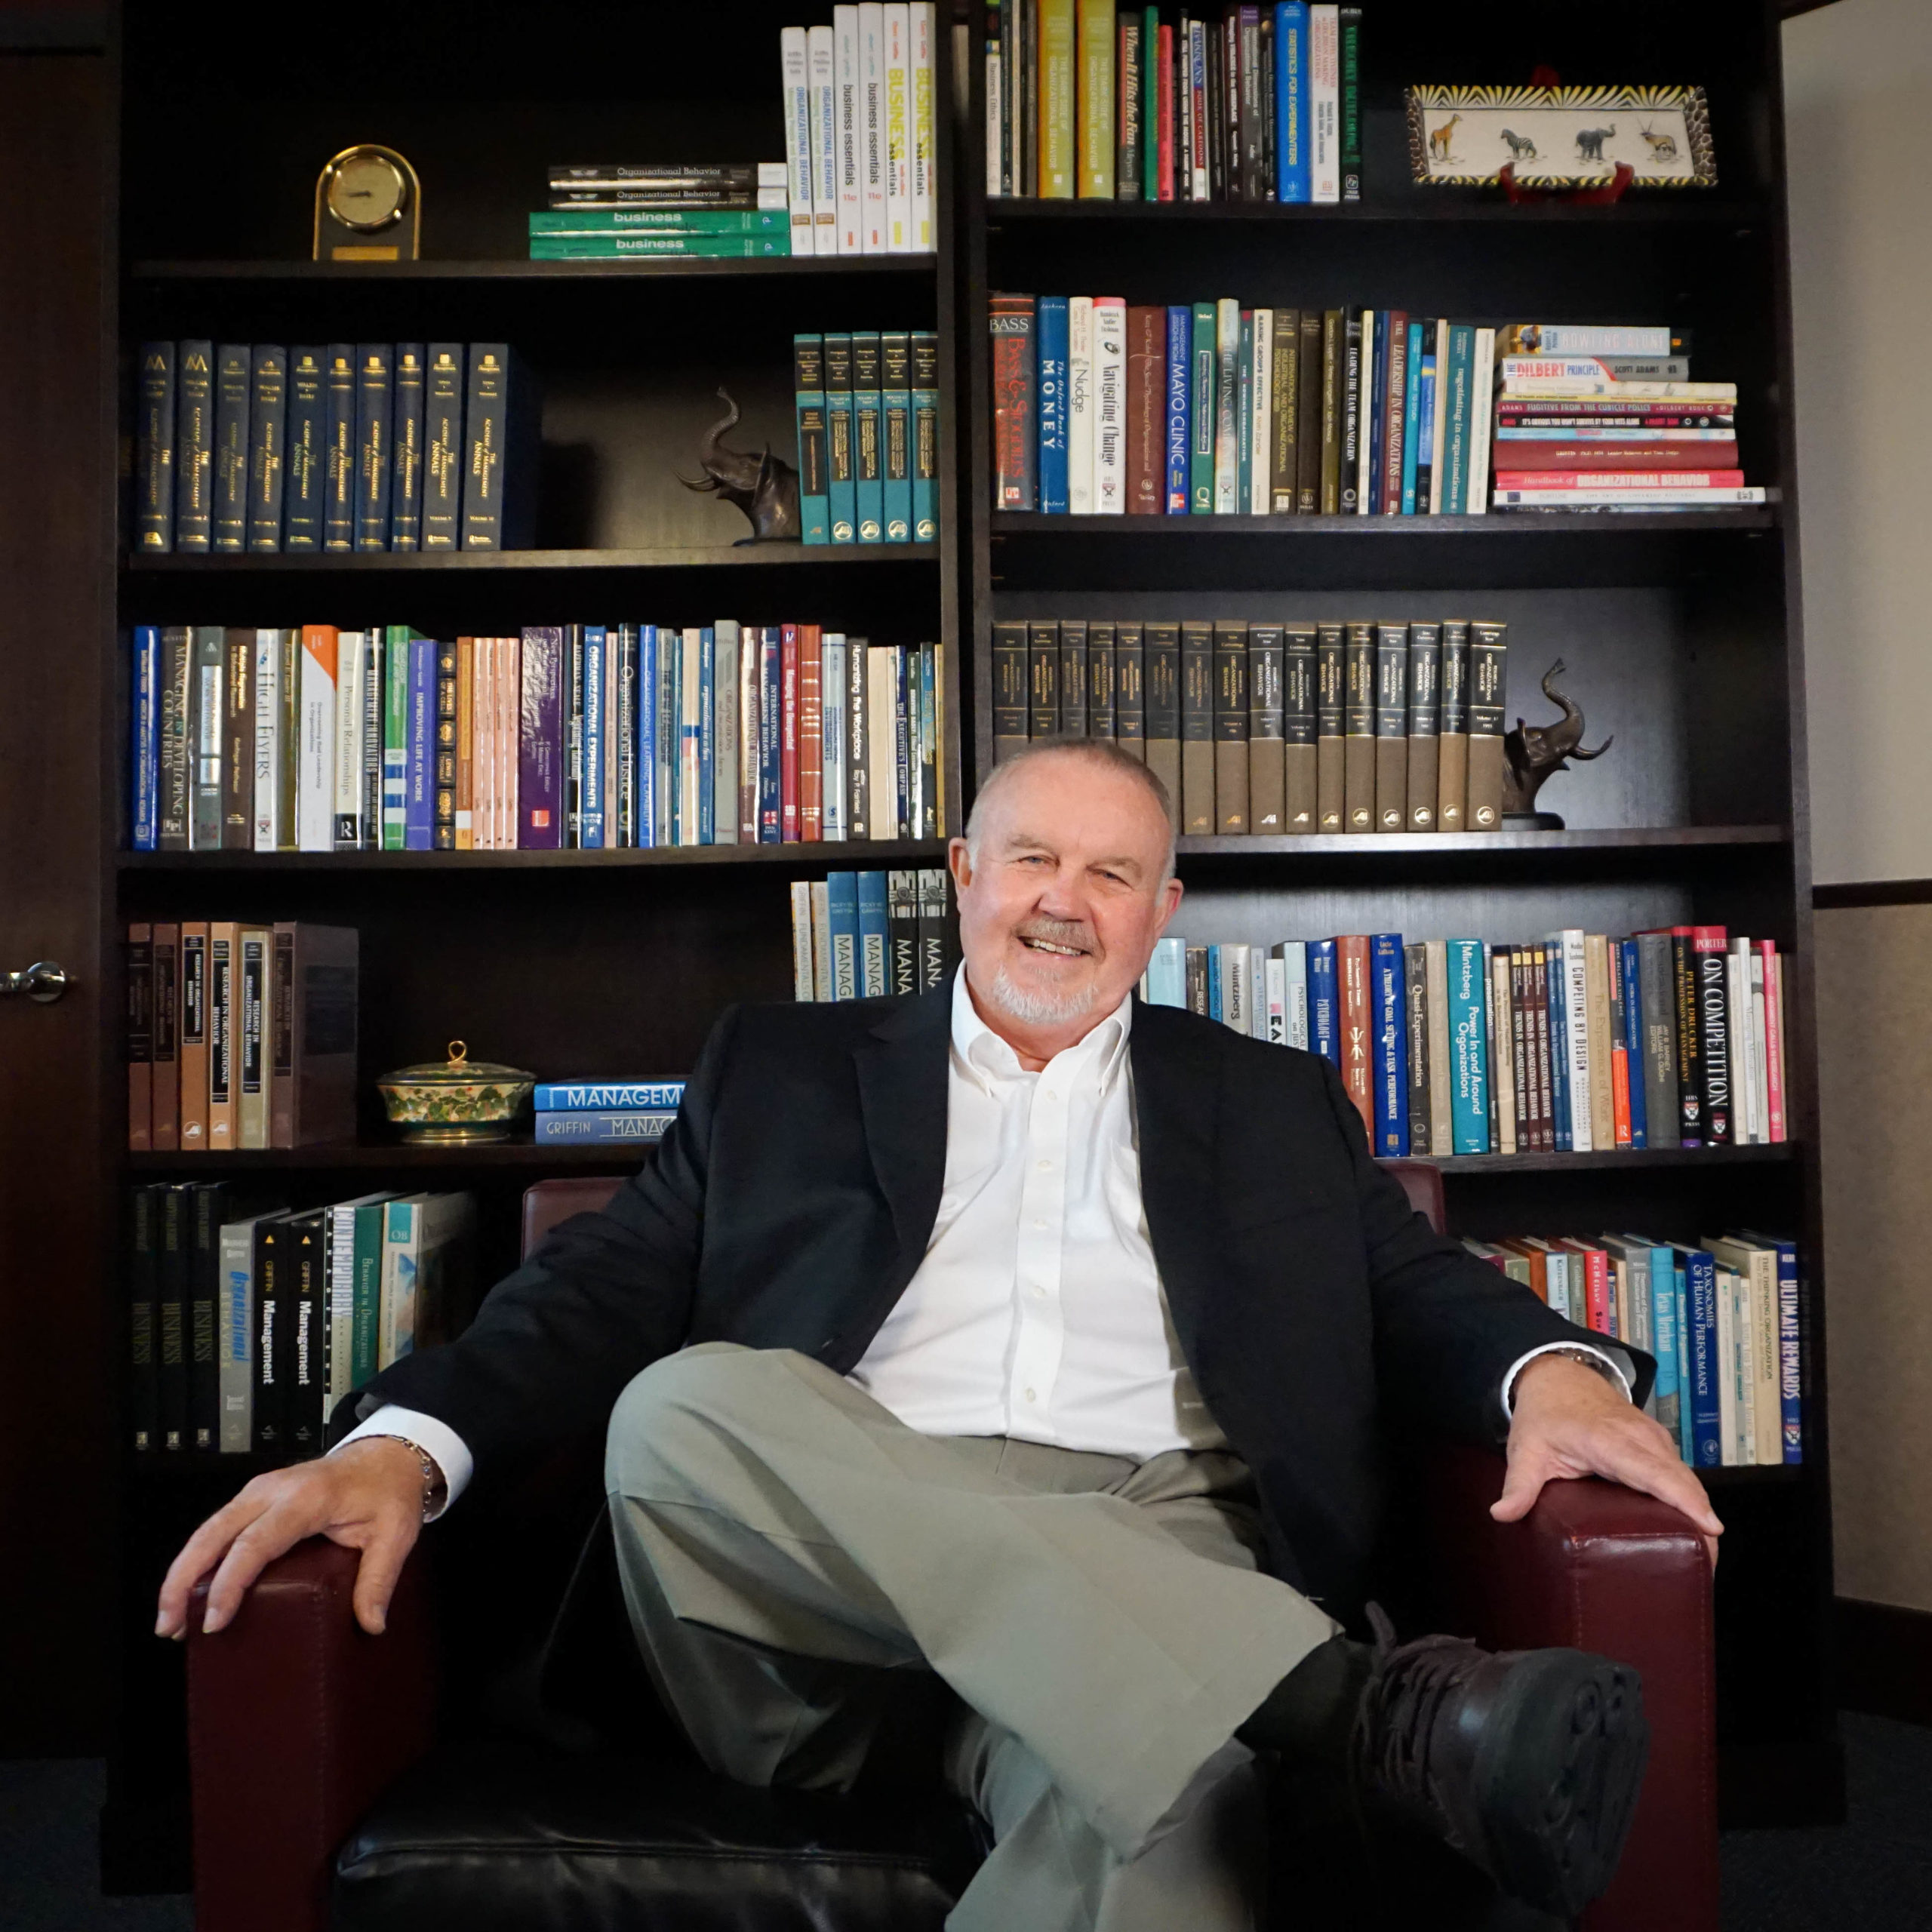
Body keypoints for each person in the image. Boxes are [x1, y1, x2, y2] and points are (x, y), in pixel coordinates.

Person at [159, 739, 1721, 1930]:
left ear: (1164, 912)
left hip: (1159, 1543)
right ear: (962, 869)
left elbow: (1412, 1285)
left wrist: (1559, 1368)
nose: (1064, 900)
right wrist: (395, 1447)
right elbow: (598, 1288)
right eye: (1031, 856)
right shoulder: (775, 1067)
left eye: (1111, 873)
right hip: (816, 1598)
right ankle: (1340, 1700)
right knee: (687, 1407)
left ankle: (1237, 1697)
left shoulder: (1263, 1098)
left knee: (1165, 1789)